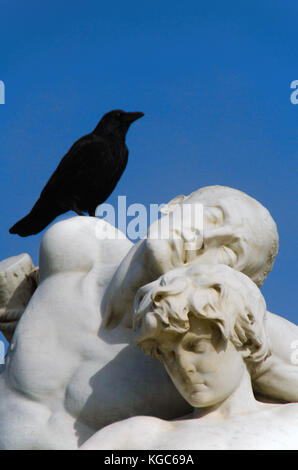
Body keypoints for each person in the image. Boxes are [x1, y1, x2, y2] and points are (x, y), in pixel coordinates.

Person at [0, 186, 297, 449]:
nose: (208, 238)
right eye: (213, 217)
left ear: (226, 280)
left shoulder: (224, 333)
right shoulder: (76, 244)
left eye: (231, 252)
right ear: (173, 206)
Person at [80, 264, 298, 450]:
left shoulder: (292, 421)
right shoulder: (137, 438)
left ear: (244, 340)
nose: (183, 366)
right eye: (166, 355)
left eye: (196, 346)